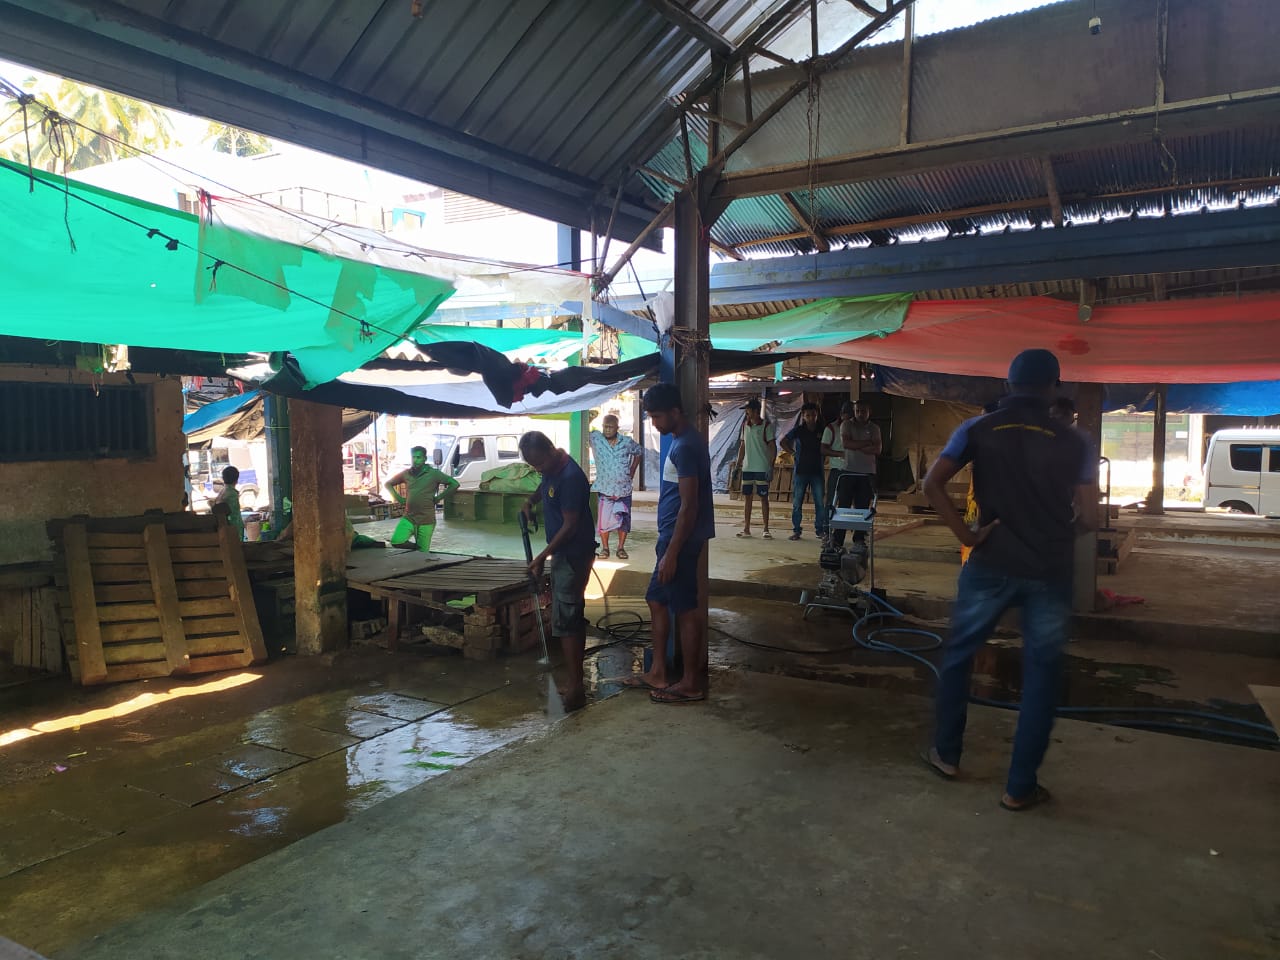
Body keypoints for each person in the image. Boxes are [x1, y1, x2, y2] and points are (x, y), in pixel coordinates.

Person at [922, 349, 1097, 812]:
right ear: (1054, 388)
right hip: (1049, 568)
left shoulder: (976, 429)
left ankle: (947, 754)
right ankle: (1019, 787)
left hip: (989, 562)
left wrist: (967, 534)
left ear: (1008, 383)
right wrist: (1065, 527)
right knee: (1041, 673)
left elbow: (931, 484)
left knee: (959, 656)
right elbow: (1092, 516)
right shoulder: (1075, 441)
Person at [630, 383, 714, 704]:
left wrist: (672, 554)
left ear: (675, 412)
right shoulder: (680, 442)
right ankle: (659, 672)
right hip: (670, 539)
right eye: (651, 416)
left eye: (657, 416)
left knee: (686, 610)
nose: (654, 423)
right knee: (656, 599)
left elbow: (689, 506)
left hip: (680, 541)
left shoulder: (685, 447)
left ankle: (691, 683)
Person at [520, 431, 596, 712]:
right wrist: (531, 501)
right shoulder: (552, 467)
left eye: (540, 464)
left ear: (551, 451)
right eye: (534, 467)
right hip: (562, 554)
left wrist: (541, 557)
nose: (539, 470)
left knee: (568, 619)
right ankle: (574, 682)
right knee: (566, 617)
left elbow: (570, 526)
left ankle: (576, 689)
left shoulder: (571, 477)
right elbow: (544, 484)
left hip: (574, 555)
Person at [588, 414, 642, 560]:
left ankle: (621, 548)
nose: (607, 430)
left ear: (617, 428)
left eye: (610, 427)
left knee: (623, 521)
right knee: (603, 521)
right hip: (605, 489)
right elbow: (582, 430)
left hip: (624, 489)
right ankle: (605, 548)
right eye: (605, 426)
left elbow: (639, 452)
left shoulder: (626, 442)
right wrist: (590, 416)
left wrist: (632, 470)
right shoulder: (596, 439)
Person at [385, 446, 458, 553]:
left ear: (424, 459)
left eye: (418, 457)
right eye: (413, 457)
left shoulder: (433, 474)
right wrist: (399, 498)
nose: (415, 460)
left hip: (426, 520)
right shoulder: (406, 474)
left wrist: (439, 498)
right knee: (397, 541)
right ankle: (416, 548)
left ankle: (418, 552)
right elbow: (388, 484)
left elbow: (454, 484)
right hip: (409, 517)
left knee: (423, 555)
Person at [832, 399, 882, 546]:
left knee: (862, 508)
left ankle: (859, 539)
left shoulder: (875, 428)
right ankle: (838, 539)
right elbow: (847, 444)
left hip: (867, 473)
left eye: (863, 411)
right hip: (848, 471)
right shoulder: (847, 424)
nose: (860, 414)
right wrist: (868, 443)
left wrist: (856, 445)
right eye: (857, 411)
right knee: (843, 507)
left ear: (869, 412)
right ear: (854, 411)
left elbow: (878, 449)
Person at [780, 403, 827, 542]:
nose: (811, 418)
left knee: (819, 502)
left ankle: (820, 530)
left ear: (817, 415)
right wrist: (793, 453)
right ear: (803, 416)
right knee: (797, 502)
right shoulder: (798, 430)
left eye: (813, 415)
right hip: (801, 470)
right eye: (808, 415)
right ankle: (796, 530)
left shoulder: (822, 430)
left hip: (817, 471)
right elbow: (782, 442)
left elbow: (829, 444)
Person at [734, 398, 776, 539]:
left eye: (748, 410)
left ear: (756, 411)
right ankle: (746, 528)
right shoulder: (745, 425)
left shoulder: (766, 426)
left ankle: (766, 529)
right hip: (747, 468)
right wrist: (738, 465)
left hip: (762, 467)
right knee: (747, 498)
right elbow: (743, 446)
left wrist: (771, 466)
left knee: (764, 498)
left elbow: (772, 446)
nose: (746, 413)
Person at [821, 402, 851, 515]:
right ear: (841, 415)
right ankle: (827, 526)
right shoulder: (831, 428)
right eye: (845, 416)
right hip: (837, 470)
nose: (847, 419)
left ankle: (841, 528)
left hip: (852, 470)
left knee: (846, 501)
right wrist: (840, 454)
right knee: (831, 499)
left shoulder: (856, 428)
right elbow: (823, 449)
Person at [211, 465, 245, 541]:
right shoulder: (232, 494)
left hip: (225, 530)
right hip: (232, 531)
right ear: (236, 479)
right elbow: (234, 516)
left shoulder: (223, 491)